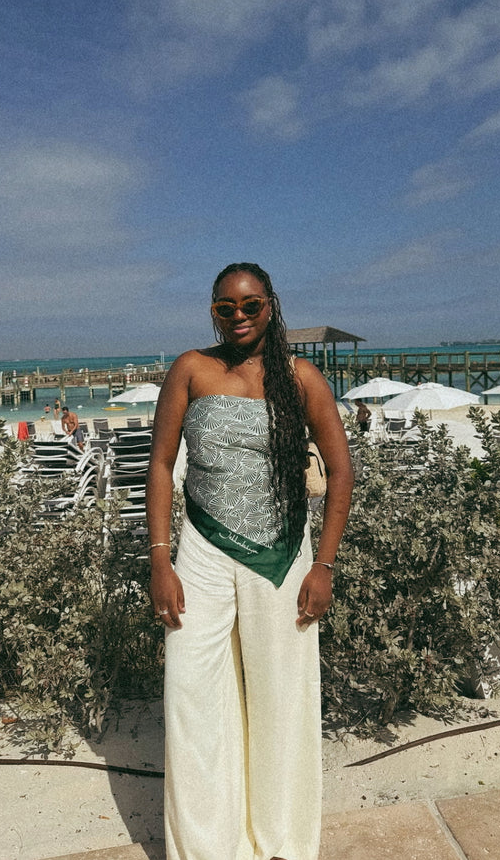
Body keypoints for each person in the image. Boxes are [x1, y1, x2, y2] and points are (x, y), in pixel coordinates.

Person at [146, 262, 353, 860]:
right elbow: (161, 464)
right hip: (201, 551)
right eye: (225, 307)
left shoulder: (302, 378)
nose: (238, 316)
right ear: (213, 312)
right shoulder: (191, 369)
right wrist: (161, 561)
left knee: (281, 699)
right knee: (192, 696)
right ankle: (207, 847)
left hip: (283, 556)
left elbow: (342, 472)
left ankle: (281, 842)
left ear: (270, 305)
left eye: (250, 305)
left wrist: (324, 566)